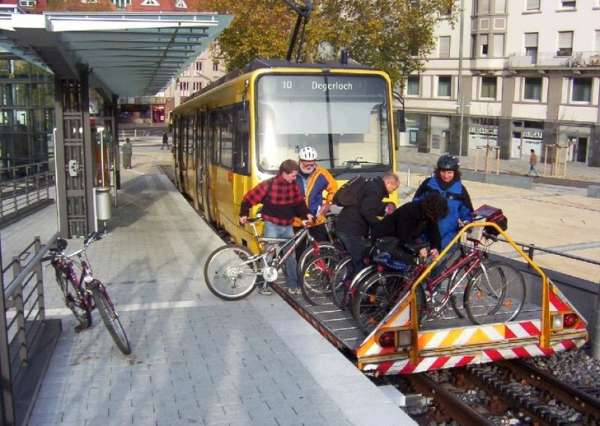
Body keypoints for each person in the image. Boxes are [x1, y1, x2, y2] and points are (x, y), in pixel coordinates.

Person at [239, 159, 314, 295]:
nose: (294, 177)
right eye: (292, 175)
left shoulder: (293, 186)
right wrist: (243, 213)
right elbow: (250, 197)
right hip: (272, 225)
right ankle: (263, 285)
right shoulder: (269, 184)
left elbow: (299, 204)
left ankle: (293, 284)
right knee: (268, 256)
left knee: (290, 256)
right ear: (284, 173)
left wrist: (306, 214)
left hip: (287, 226)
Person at [335, 172, 400, 272]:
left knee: (349, 260)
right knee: (360, 261)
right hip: (352, 230)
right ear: (389, 183)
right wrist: (378, 225)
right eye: (393, 189)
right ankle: (358, 287)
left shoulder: (371, 184)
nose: (392, 192)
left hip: (343, 225)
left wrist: (384, 208)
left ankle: (347, 282)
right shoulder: (376, 190)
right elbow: (367, 211)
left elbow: (368, 205)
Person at [413, 154, 473, 250]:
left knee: (445, 263)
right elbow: (415, 203)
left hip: (449, 237)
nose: (446, 175)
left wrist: (466, 221)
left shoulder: (460, 190)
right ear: (438, 171)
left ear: (455, 173)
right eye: (443, 172)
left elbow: (467, 212)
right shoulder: (428, 184)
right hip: (425, 234)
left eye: (449, 172)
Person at [372, 192, 448, 265]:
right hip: (386, 240)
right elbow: (403, 235)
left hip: (399, 241)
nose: (434, 219)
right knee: (412, 262)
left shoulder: (429, 216)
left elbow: (435, 233)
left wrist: (436, 248)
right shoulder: (410, 210)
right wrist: (417, 250)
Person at [292, 146, 338, 257]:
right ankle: (301, 272)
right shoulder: (292, 173)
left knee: (321, 248)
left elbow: (334, 188)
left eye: (312, 164)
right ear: (300, 161)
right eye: (306, 164)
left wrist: (328, 203)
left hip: (316, 218)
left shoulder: (322, 173)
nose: (309, 166)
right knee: (300, 250)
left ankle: (321, 270)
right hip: (297, 219)